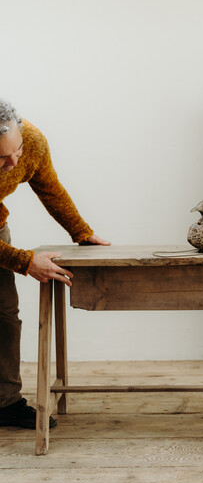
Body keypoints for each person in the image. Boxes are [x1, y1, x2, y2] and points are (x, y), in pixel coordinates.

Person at [0, 98, 110, 429]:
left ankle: (5, 403)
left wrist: (82, 232)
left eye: (16, 150)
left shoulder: (31, 140)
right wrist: (24, 261)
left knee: (4, 314)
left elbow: (48, 187)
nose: (13, 161)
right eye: (1, 157)